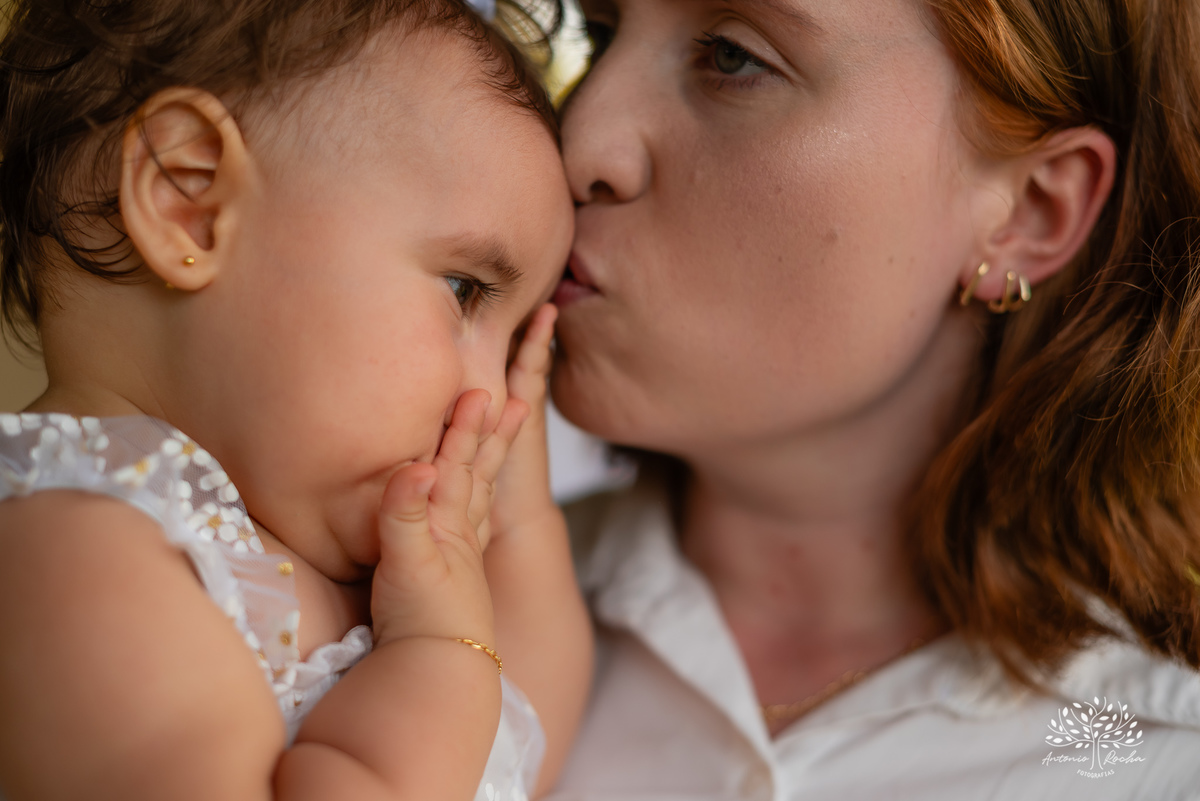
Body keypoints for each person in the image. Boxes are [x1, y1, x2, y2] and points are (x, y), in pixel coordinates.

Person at [546, 0, 1200, 798]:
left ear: (1031, 211)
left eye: (732, 57)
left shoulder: (1156, 761)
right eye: (598, 33)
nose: (580, 141)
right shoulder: (410, 631)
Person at [0, 1, 592, 799]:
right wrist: (439, 649)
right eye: (465, 291)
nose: (483, 399)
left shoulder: (351, 577)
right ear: (191, 201)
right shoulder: (71, 555)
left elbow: (526, 739)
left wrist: (514, 513)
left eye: (516, 343)